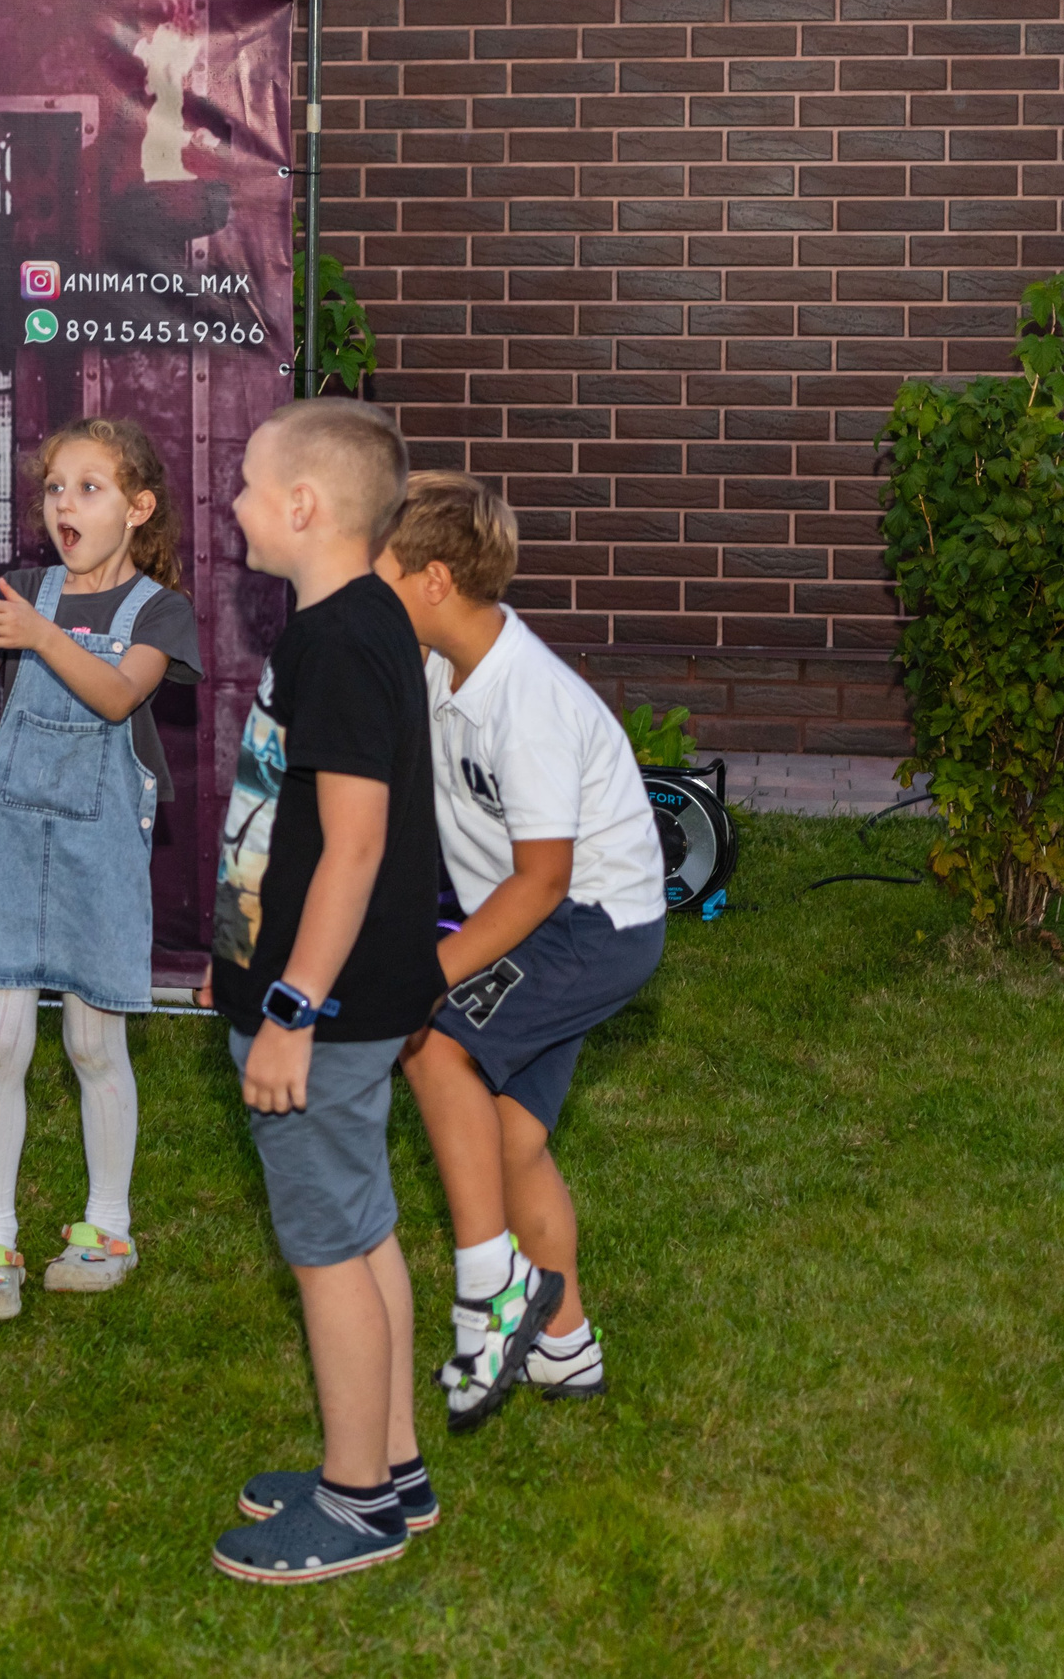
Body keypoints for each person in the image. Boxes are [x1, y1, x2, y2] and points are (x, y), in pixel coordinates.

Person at [0, 418, 201, 1323]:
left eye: (89, 488)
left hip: (99, 850)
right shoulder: (25, 591)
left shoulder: (159, 612)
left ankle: (108, 1227)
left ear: (137, 508)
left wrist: (39, 634)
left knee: (94, 1045)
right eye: (55, 487)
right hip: (12, 844)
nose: (64, 504)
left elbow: (116, 694)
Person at [203, 398, 442, 1586]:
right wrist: (237, 960)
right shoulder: (356, 624)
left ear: (303, 508)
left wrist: (290, 1009)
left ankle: (354, 1507)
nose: (231, 503)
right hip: (329, 988)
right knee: (364, 1222)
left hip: (327, 1006)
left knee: (326, 1248)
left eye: (246, 484)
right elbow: (283, 835)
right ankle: (391, 1464)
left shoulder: (338, 642)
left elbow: (351, 846)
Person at [374, 472, 665, 1429]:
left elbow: (541, 881)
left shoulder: (525, 698)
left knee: (434, 1042)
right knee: (510, 1137)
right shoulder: (436, 664)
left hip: (590, 921)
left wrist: (432, 973)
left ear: (434, 581)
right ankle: (565, 1347)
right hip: (551, 916)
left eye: (385, 569)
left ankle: (489, 1293)